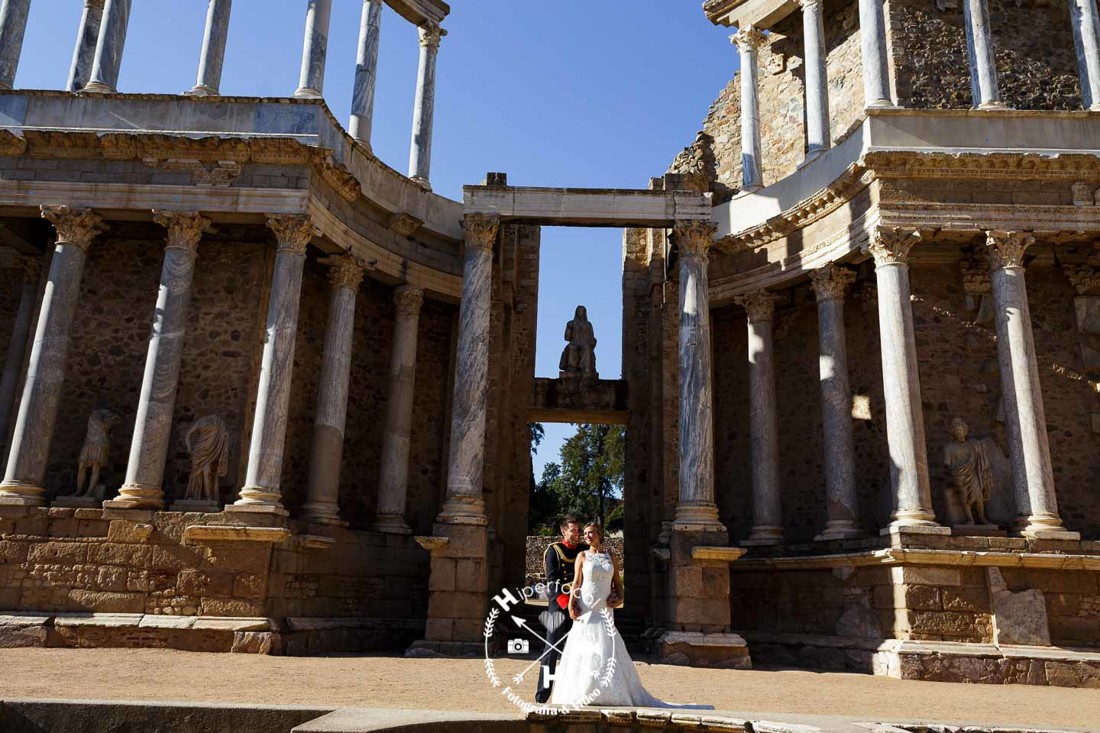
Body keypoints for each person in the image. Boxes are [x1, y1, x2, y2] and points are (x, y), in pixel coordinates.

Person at [550, 522, 668, 707]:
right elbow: (576, 584)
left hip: (605, 608)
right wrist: (571, 605)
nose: (587, 536)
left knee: (607, 644)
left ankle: (609, 691)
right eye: (586, 534)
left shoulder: (610, 556)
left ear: (599, 534)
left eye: (591, 533)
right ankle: (584, 691)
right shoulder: (582, 556)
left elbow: (617, 583)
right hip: (586, 607)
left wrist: (620, 598)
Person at [534, 515, 588, 704]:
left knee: (582, 651)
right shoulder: (553, 551)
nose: (577, 534)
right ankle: (542, 696)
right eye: (573, 530)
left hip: (582, 605)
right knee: (551, 650)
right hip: (560, 606)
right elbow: (552, 583)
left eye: (578, 530)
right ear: (563, 531)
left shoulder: (584, 550)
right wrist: (568, 604)